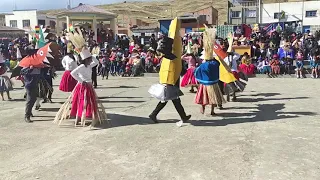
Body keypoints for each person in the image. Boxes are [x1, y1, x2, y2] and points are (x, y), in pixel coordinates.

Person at [54, 28, 107, 127]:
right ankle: (78, 118)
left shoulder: (89, 65)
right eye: (89, 58)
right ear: (85, 59)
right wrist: (81, 80)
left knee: (89, 102)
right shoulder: (82, 66)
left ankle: (86, 118)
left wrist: (89, 53)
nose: (90, 60)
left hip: (89, 85)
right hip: (82, 86)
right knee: (80, 102)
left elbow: (95, 62)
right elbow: (73, 73)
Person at [148, 18, 191, 127]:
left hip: (173, 71)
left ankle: (182, 116)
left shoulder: (175, 38)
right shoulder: (172, 39)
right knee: (170, 97)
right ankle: (154, 114)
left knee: (172, 97)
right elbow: (166, 52)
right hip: (171, 73)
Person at [195, 26, 226, 115]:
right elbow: (218, 64)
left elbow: (196, 72)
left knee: (203, 97)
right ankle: (212, 111)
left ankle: (203, 108)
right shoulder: (214, 64)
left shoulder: (203, 65)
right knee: (213, 98)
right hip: (213, 84)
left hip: (204, 84)